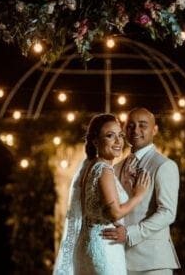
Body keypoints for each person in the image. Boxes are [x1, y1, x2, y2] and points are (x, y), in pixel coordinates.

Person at [53, 113, 151, 275]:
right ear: (95, 141)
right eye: (110, 136)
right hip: (104, 247)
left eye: (120, 135)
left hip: (88, 243)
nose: (118, 141)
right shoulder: (104, 170)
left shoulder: (90, 167)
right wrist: (138, 195)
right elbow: (115, 213)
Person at [102, 107, 181, 275]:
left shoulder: (164, 166)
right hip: (119, 260)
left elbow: (168, 212)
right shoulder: (115, 167)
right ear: (124, 130)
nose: (135, 130)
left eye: (142, 125)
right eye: (130, 126)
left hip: (152, 263)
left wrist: (130, 234)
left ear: (155, 130)